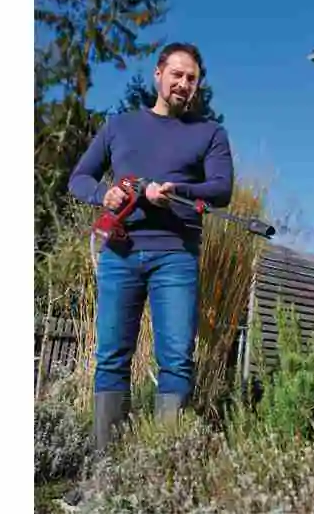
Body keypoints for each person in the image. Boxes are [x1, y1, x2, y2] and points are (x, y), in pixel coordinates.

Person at [68, 42, 234, 451]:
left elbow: (221, 188)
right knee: (111, 356)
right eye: (177, 74)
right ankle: (105, 465)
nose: (183, 83)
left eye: (192, 78)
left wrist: (178, 190)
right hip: (120, 253)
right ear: (158, 74)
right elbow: (79, 178)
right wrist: (104, 194)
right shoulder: (119, 126)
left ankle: (162, 463)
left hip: (176, 255)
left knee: (176, 359)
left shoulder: (210, 133)